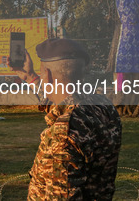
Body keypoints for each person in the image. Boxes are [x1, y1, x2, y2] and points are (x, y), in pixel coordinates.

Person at [9, 38, 122, 200]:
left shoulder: (63, 135)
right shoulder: (102, 106)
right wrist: (30, 77)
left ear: (46, 75)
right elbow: (62, 105)